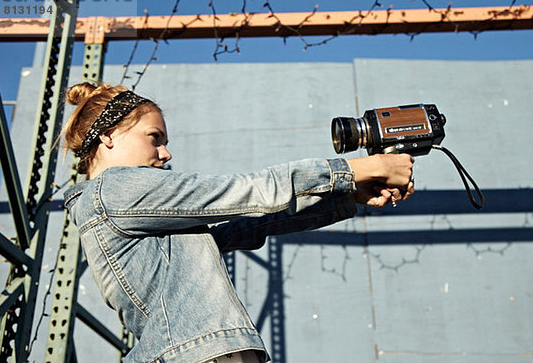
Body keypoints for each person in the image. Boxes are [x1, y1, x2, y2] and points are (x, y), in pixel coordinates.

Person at [62, 82, 414, 363]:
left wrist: (347, 195)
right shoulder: (115, 189)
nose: (166, 153)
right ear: (108, 135)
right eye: (155, 138)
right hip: (200, 355)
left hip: (207, 352)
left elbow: (250, 225)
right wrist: (353, 169)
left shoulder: (132, 206)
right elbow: (241, 191)